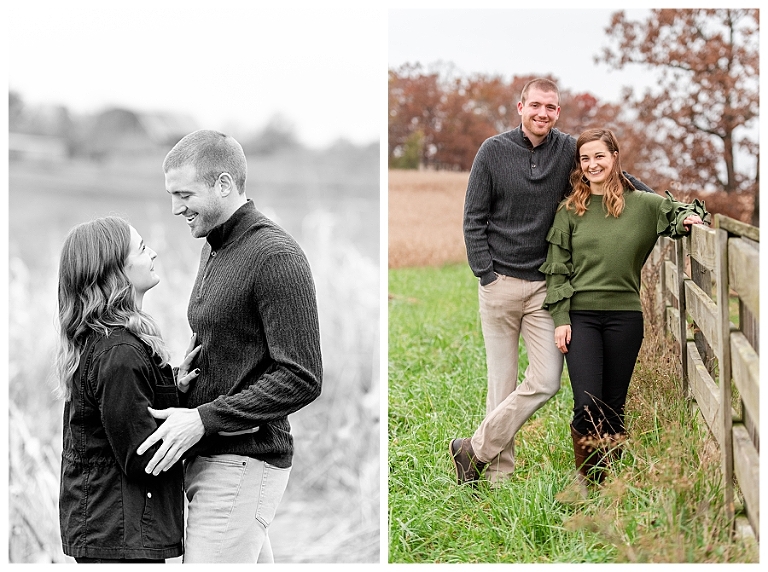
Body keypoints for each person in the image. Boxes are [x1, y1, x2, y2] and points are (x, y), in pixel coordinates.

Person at [450, 78, 653, 486]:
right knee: (501, 383)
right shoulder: (492, 151)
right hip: (499, 284)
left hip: (545, 286)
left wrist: (671, 206)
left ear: (558, 112)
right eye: (536, 105)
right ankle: (497, 475)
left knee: (545, 381)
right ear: (521, 107)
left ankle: (472, 449)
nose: (543, 113)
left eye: (551, 107)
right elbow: (473, 218)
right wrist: (485, 273)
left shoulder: (567, 151)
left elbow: (618, 176)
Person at [135, 129, 323, 563]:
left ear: (223, 184)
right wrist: (184, 383)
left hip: (242, 462)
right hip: (213, 459)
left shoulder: (274, 257)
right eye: (171, 194)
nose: (175, 207)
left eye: (184, 193)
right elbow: (223, 343)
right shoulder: (215, 248)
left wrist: (203, 419)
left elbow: (302, 376)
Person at [539, 127, 707, 494]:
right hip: (580, 317)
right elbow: (556, 270)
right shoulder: (569, 212)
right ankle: (587, 483)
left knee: (614, 406)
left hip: (625, 317)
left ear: (615, 157)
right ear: (579, 165)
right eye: (585, 158)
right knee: (587, 404)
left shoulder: (642, 205)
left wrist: (687, 221)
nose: (592, 164)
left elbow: (679, 212)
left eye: (599, 156)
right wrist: (561, 319)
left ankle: (607, 488)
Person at [56, 216, 199, 563]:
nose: (153, 253)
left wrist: (172, 389)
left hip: (117, 531)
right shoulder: (118, 352)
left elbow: (132, 417)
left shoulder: (113, 342)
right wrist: (211, 424)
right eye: (140, 248)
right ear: (114, 272)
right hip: (119, 536)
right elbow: (142, 455)